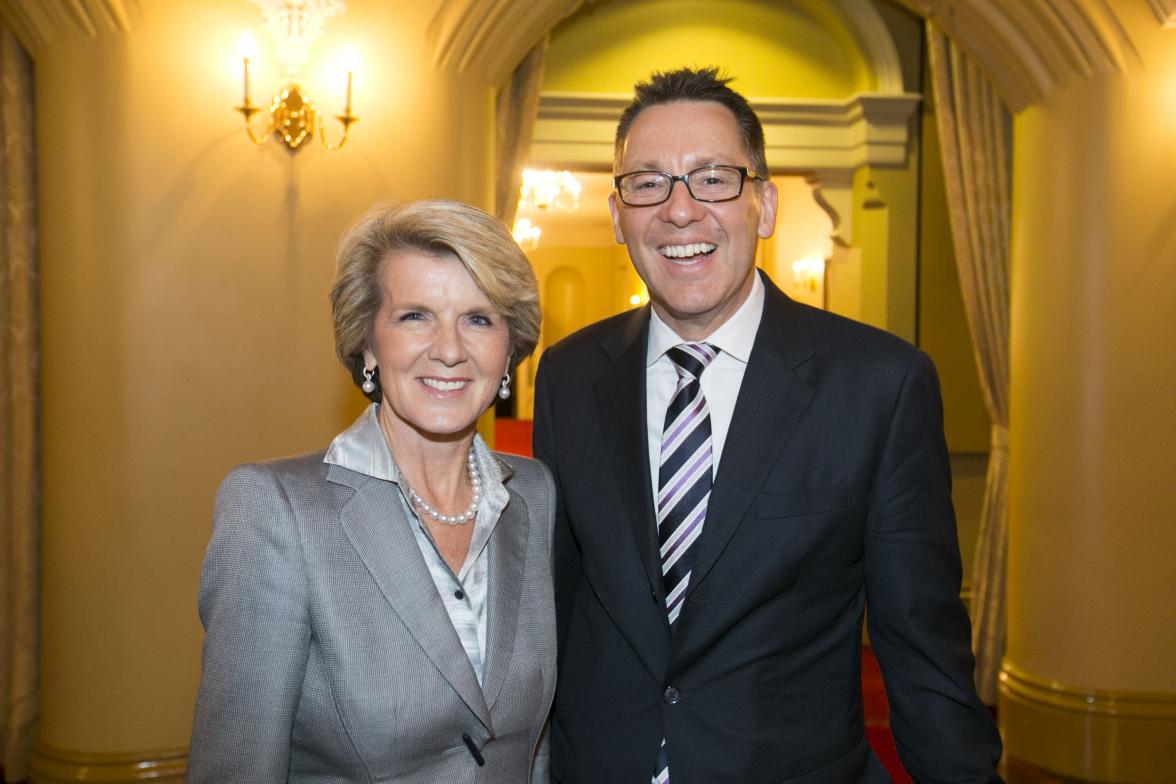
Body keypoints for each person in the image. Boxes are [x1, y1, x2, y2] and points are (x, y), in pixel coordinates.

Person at [533, 67, 1002, 783]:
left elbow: (921, 648)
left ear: (766, 204)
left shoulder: (878, 385)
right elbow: (559, 608)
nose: (680, 210)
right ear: (617, 214)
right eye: (648, 182)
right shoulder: (568, 376)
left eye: (714, 178)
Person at [189, 200, 555, 783]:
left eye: (479, 318)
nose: (450, 349)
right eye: (415, 316)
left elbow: (533, 748)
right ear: (366, 343)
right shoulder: (278, 510)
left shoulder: (534, 496)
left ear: (509, 350)